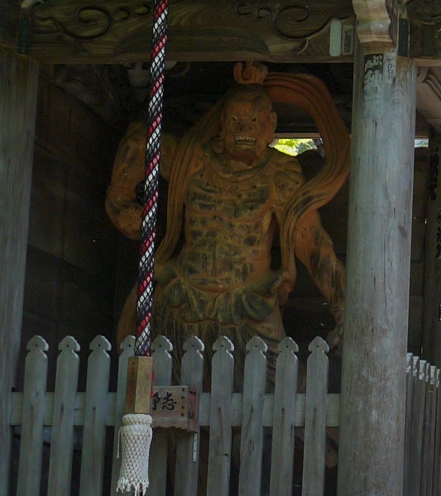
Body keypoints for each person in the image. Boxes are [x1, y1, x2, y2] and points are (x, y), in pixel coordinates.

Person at [105, 76, 346, 348]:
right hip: (181, 299)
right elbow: (140, 141)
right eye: (234, 121)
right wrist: (119, 200)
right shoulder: (195, 161)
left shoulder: (280, 175)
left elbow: (311, 243)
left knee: (278, 383)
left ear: (272, 125)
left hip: (249, 305)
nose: (243, 128)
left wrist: (343, 308)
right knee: (163, 386)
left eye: (254, 121)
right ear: (222, 124)